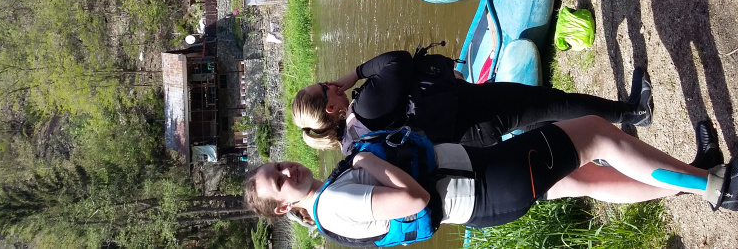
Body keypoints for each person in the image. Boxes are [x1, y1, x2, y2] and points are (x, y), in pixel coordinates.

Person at [244, 115, 738, 243]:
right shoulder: (335, 205)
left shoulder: (330, 198)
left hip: (484, 184)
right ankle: (716, 186)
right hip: (488, 183)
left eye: (277, 166)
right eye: (279, 182)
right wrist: (367, 163)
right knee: (595, 135)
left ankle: (697, 176)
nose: (287, 171)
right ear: (285, 207)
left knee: (584, 179)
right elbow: (413, 201)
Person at [291, 50, 722, 170]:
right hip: (475, 114)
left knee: (548, 119)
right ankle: (632, 112)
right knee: (550, 103)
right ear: (330, 106)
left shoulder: (354, 145)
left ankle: (621, 131)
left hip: (466, 137)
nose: (330, 83)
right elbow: (397, 62)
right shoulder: (365, 107)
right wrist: (353, 74)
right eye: (325, 87)